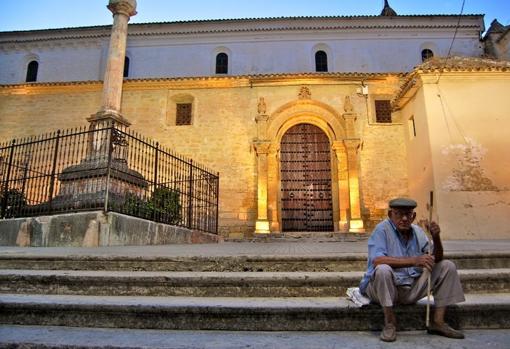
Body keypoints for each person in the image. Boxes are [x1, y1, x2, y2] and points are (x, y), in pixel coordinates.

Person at [359, 197, 465, 342]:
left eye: (408, 214)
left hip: (410, 287)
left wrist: (437, 238)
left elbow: (437, 258)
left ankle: (438, 322)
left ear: (413, 216)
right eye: (398, 214)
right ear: (390, 215)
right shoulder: (381, 229)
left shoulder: (418, 232)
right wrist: (414, 260)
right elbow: (377, 260)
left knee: (447, 266)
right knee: (383, 269)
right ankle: (390, 323)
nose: (403, 218)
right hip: (384, 289)